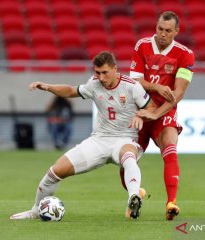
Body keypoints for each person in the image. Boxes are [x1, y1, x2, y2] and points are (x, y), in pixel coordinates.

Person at [10, 51, 158, 220]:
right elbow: (71, 91)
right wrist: (48, 87)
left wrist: (140, 115)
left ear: (115, 69)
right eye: (97, 72)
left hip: (125, 138)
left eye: (105, 72)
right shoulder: (94, 84)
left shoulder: (132, 86)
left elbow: (152, 107)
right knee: (55, 172)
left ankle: (134, 197)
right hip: (99, 140)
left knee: (129, 157)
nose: (101, 77)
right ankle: (36, 211)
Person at [119, 11, 195, 220]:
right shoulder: (142, 45)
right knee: (126, 160)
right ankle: (137, 193)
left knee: (170, 148)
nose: (162, 34)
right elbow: (135, 80)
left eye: (168, 31)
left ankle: (171, 202)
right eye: (160, 29)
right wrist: (156, 87)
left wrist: (157, 114)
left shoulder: (185, 54)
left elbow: (178, 93)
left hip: (164, 112)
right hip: (140, 111)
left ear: (176, 32)